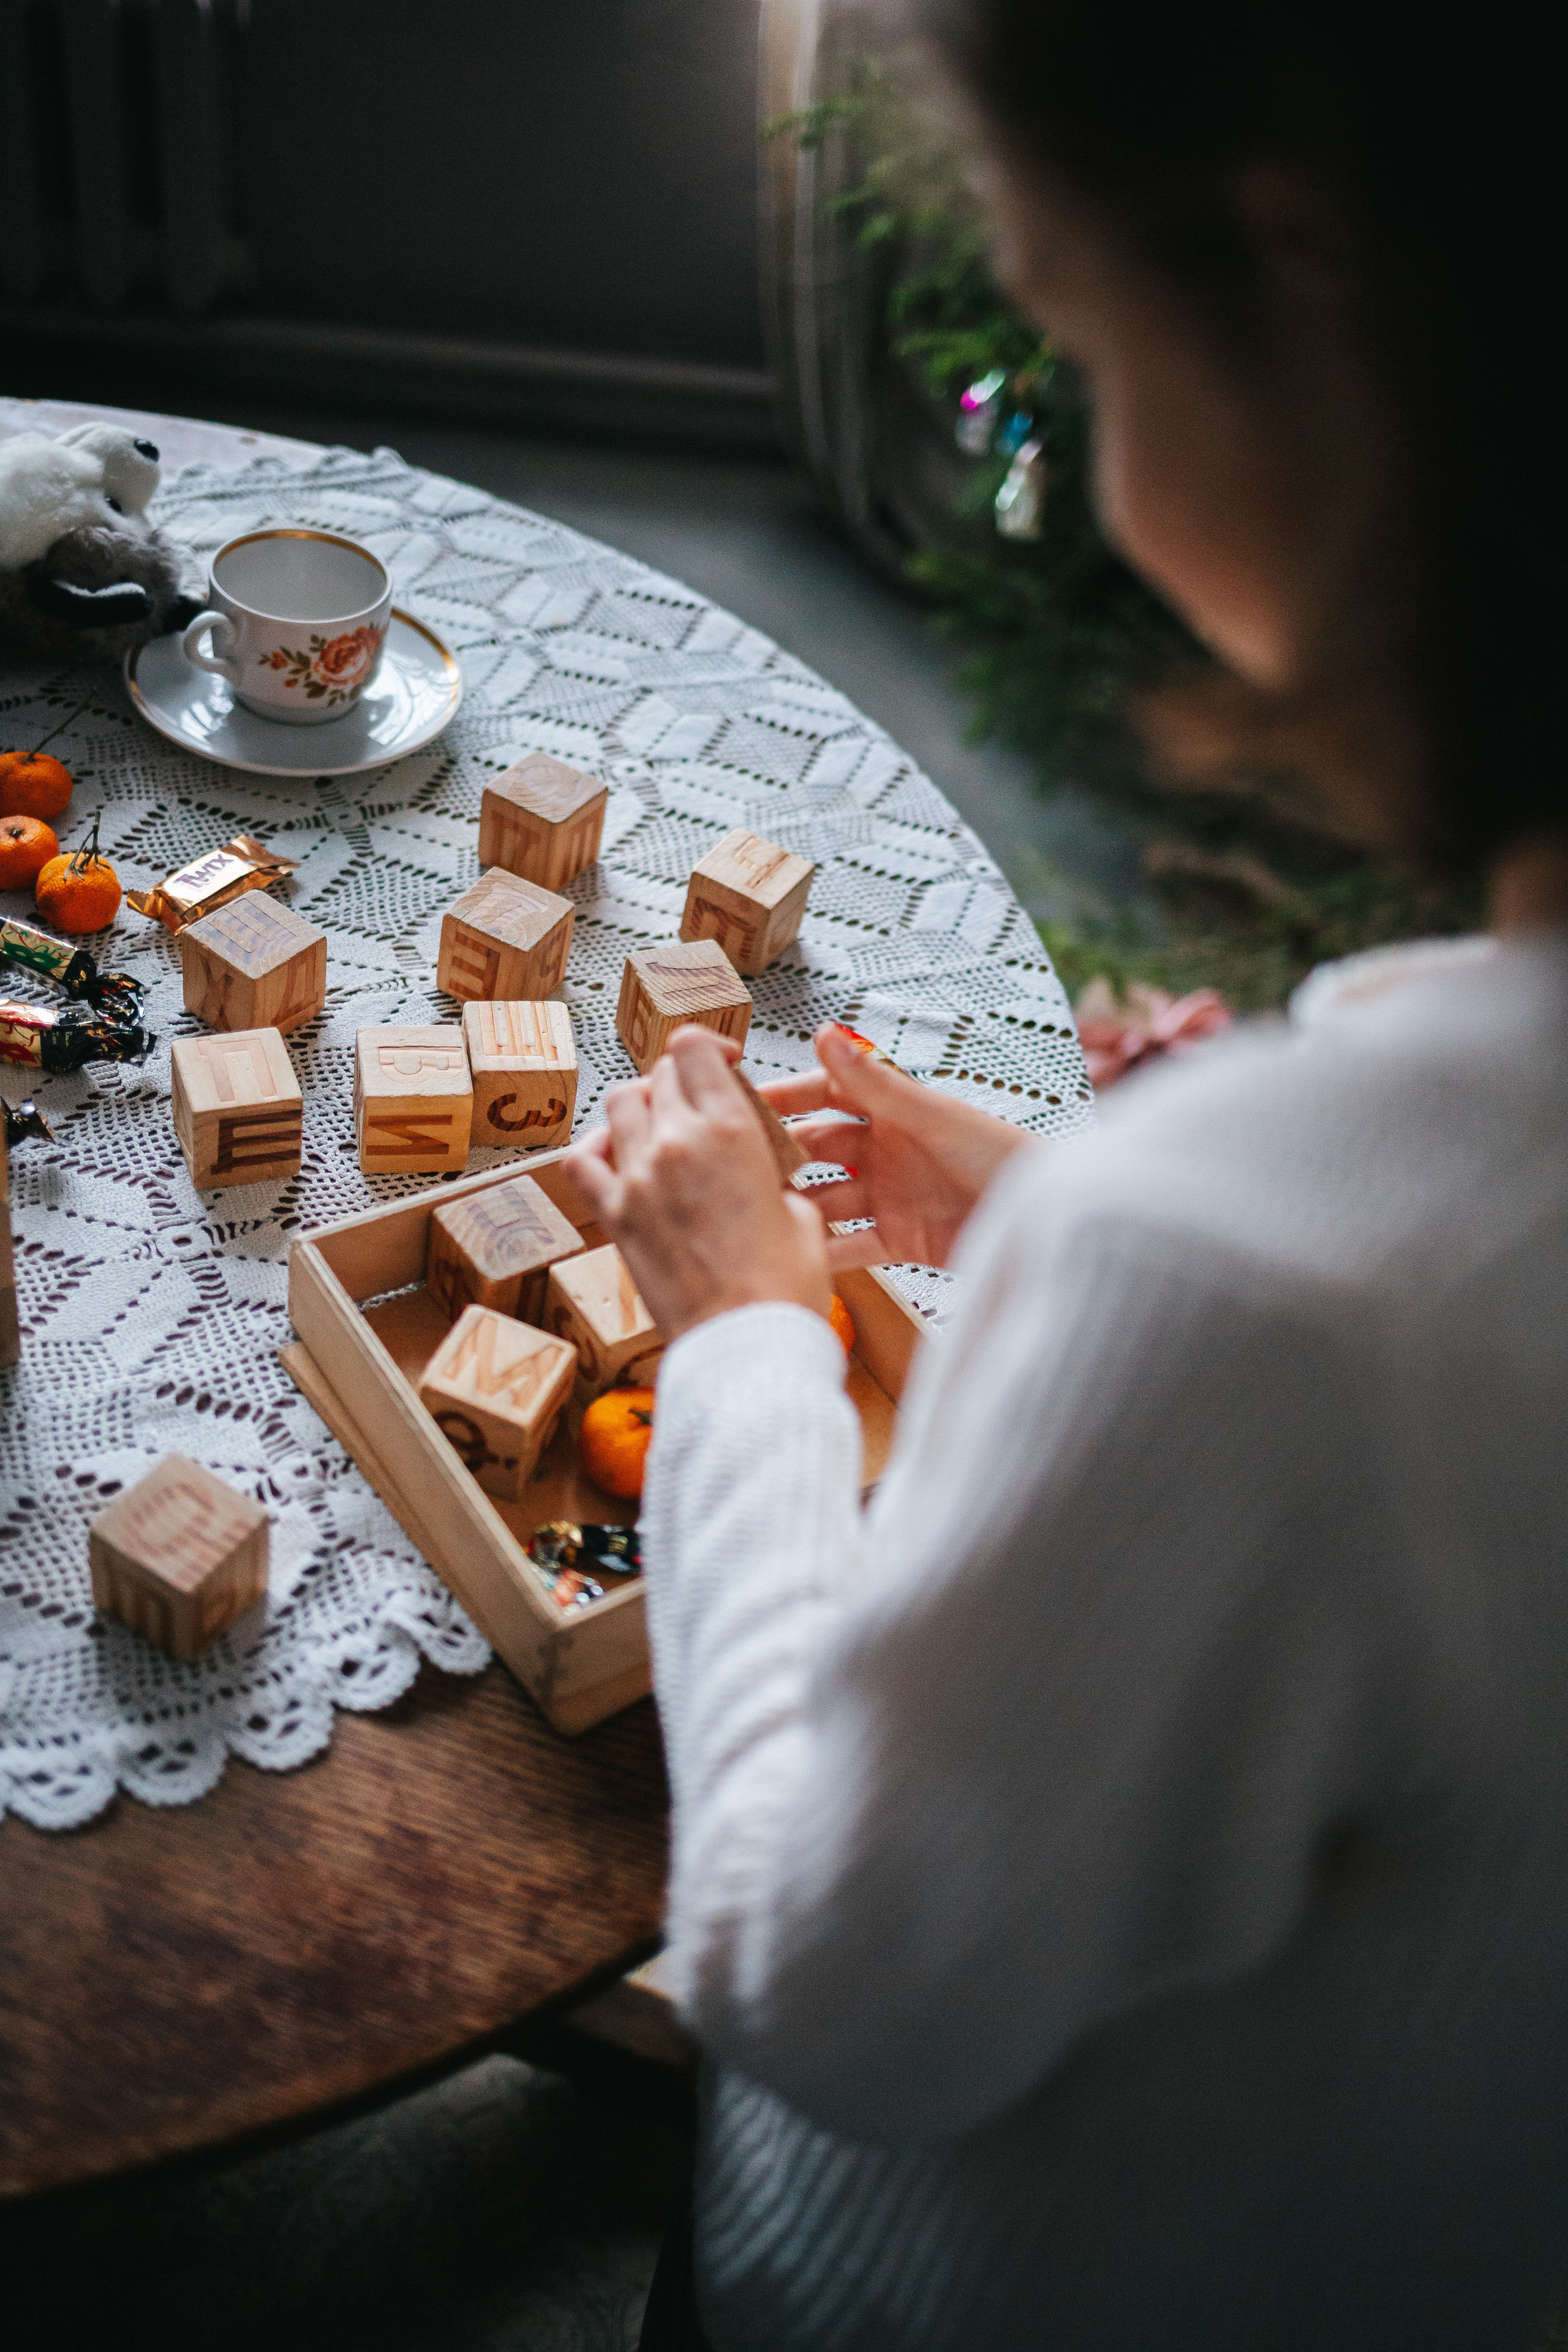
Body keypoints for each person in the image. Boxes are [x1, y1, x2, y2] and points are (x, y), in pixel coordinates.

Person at [568, 3, 1568, 2345]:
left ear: (1301, 292)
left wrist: (747, 1341)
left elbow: (836, 1989)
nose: (1090, 456)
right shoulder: (1308, 1254)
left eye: (1080, 350)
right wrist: (1062, 1216)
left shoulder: (1242, 1279)